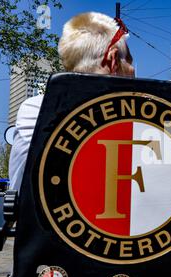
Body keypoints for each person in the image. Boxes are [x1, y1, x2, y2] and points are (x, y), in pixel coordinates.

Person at [9, 12, 135, 191]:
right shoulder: (141, 118)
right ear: (113, 61)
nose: (133, 70)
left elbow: (19, 191)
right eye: (130, 61)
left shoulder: (34, 110)